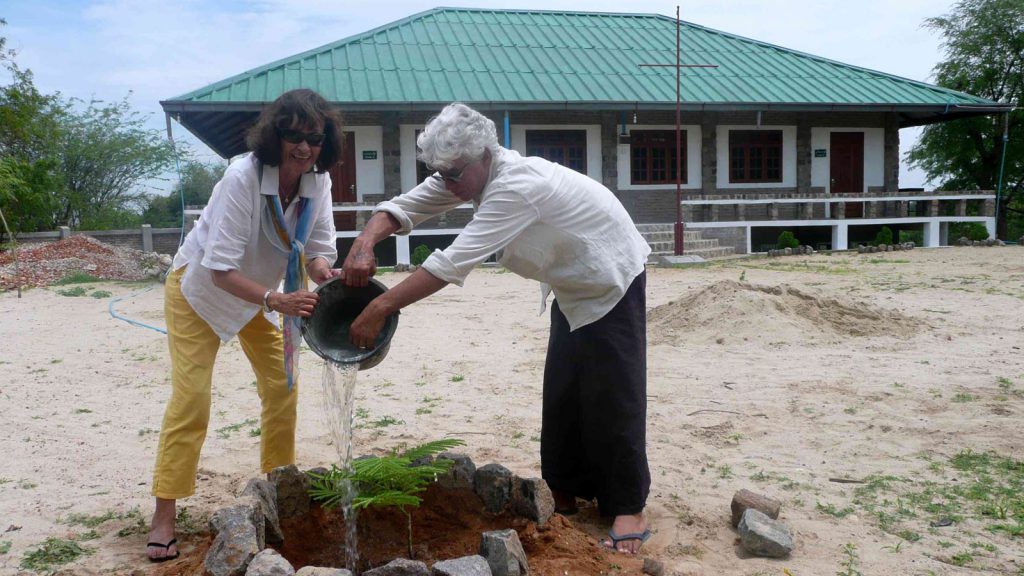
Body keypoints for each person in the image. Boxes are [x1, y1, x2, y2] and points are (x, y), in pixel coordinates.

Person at [341, 103, 652, 554]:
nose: (447, 184)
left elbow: (451, 262)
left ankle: (628, 506)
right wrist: (363, 242)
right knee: (564, 389)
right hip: (569, 283)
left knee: (613, 393)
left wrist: (379, 307)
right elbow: (405, 207)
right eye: (440, 174)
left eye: (453, 175)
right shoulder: (463, 170)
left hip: (609, 276)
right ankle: (566, 489)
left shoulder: (517, 187)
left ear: (485, 154)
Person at [146, 89, 343, 562]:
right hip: (200, 291)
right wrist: (277, 298)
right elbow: (218, 268)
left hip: (260, 296)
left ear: (325, 141)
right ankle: (164, 513)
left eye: (313, 138)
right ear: (273, 135)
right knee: (191, 399)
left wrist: (326, 275)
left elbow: (317, 250)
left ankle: (278, 489)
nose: (303, 148)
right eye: (292, 135)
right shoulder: (242, 176)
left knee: (282, 388)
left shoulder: (319, 182)